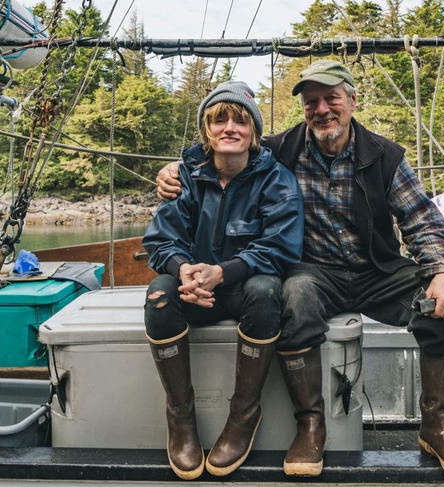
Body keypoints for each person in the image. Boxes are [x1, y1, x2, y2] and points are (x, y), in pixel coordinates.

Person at [156, 61, 444, 479]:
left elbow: (421, 219)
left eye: (332, 98)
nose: (323, 109)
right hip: (314, 272)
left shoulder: (385, 156)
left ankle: (436, 427)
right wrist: (173, 171)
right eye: (312, 101)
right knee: (293, 297)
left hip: (377, 271)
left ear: (351, 100)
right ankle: (310, 426)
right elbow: (223, 143)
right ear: (304, 109)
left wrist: (441, 270)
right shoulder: (279, 150)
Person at [142, 80, 303, 480]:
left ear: (254, 133)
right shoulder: (185, 177)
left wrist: (221, 272)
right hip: (191, 290)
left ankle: (243, 414)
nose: (229, 127)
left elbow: (281, 246)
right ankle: (180, 418)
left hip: (242, 292)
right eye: (219, 120)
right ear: (206, 131)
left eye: (240, 121)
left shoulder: (276, 179)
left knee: (268, 290)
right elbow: (161, 240)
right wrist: (183, 269)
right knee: (158, 296)